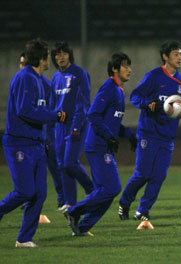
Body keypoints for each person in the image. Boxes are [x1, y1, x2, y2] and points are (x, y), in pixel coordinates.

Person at [118, 41, 181, 221]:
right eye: (176, 54)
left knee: (159, 176)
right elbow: (135, 96)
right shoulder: (154, 76)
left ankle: (143, 211)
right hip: (149, 133)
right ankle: (124, 202)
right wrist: (148, 104)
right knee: (143, 174)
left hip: (167, 136)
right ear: (165, 56)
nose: (180, 57)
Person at [0, 38, 67, 248]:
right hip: (19, 143)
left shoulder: (41, 81)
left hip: (37, 144)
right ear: (41, 58)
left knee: (39, 193)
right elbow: (25, 110)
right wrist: (54, 115)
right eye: (46, 56)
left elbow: (52, 100)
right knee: (25, 191)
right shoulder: (25, 78)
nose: (49, 60)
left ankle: (24, 238)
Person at [65, 52, 137, 236]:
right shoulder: (109, 87)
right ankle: (73, 211)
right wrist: (109, 136)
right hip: (98, 147)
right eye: (125, 66)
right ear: (114, 69)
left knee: (105, 194)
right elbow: (93, 114)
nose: (129, 69)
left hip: (104, 146)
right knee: (113, 188)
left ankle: (81, 228)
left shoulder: (119, 90)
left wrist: (129, 135)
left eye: (130, 66)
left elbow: (112, 122)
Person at [51, 41, 94, 212]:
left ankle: (91, 189)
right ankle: (70, 202)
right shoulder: (55, 78)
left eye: (64, 53)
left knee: (70, 162)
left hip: (77, 123)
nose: (60, 57)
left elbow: (83, 102)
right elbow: (53, 105)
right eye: (57, 54)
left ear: (69, 55)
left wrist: (76, 126)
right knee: (62, 164)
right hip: (59, 126)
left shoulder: (79, 74)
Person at [20, 52, 65, 209]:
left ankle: (63, 198)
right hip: (31, 135)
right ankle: (29, 198)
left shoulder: (45, 84)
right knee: (30, 168)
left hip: (48, 131)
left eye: (24, 63)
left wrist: (48, 134)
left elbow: (52, 109)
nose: (22, 67)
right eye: (21, 63)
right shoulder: (23, 83)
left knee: (54, 165)